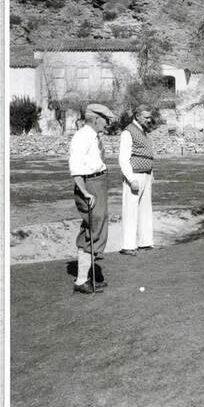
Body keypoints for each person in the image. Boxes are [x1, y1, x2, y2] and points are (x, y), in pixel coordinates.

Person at [68, 103, 115, 293]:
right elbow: (76, 168)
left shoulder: (94, 137)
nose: (108, 124)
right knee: (96, 230)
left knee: (91, 229)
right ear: (96, 119)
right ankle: (81, 281)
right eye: (106, 120)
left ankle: (85, 277)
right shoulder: (82, 138)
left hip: (98, 182)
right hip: (89, 185)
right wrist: (86, 193)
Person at [118, 104, 156, 256]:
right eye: (146, 117)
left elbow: (147, 154)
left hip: (145, 174)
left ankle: (145, 242)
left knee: (145, 210)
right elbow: (123, 159)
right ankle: (128, 245)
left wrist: (151, 172)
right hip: (134, 175)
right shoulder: (128, 132)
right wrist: (131, 178)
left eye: (149, 117)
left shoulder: (143, 131)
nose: (149, 120)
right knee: (130, 210)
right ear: (138, 116)